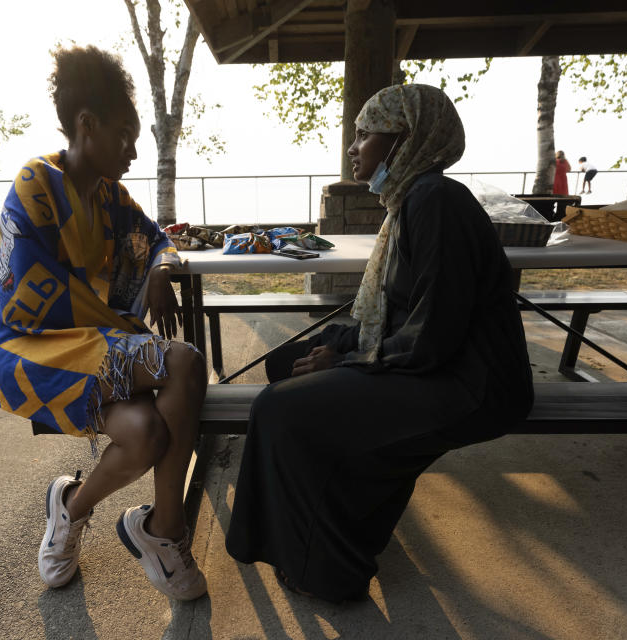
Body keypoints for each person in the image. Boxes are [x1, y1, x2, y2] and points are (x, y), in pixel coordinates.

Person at [224, 84, 535, 604]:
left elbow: (434, 333)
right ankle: (339, 514)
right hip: (437, 360)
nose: (354, 146)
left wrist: (347, 356)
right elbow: (400, 315)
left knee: (281, 409)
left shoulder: (437, 201)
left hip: (472, 382)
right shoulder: (412, 200)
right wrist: (345, 346)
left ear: (403, 140)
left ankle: (328, 570)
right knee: (287, 362)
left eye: (366, 133)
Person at [0, 45, 208, 601]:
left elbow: (157, 240)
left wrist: (161, 268)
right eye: (125, 135)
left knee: (146, 434)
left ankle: (70, 509)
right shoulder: (35, 185)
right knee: (183, 360)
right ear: (87, 124)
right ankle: (167, 531)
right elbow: (35, 299)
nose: (132, 150)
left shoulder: (111, 196)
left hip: (94, 342)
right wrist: (123, 326)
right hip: (28, 346)